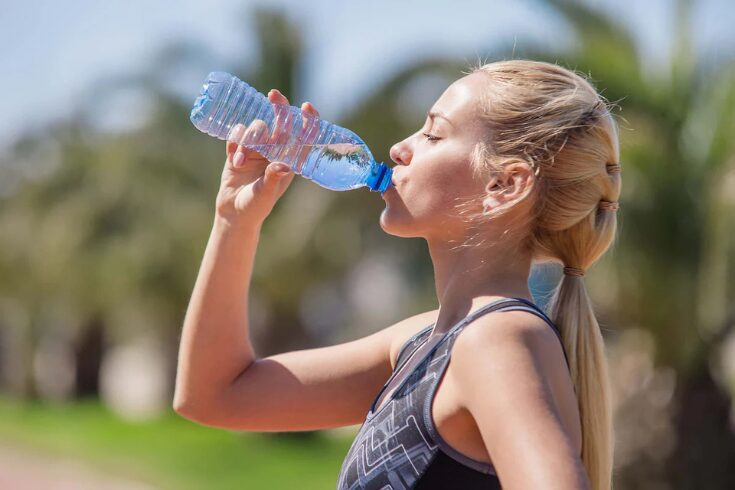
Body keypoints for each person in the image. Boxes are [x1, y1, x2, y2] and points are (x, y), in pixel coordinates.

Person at [173, 59, 621, 490]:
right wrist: (234, 220)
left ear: (504, 185)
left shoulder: (497, 338)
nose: (398, 149)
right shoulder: (424, 344)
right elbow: (215, 395)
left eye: (432, 133)